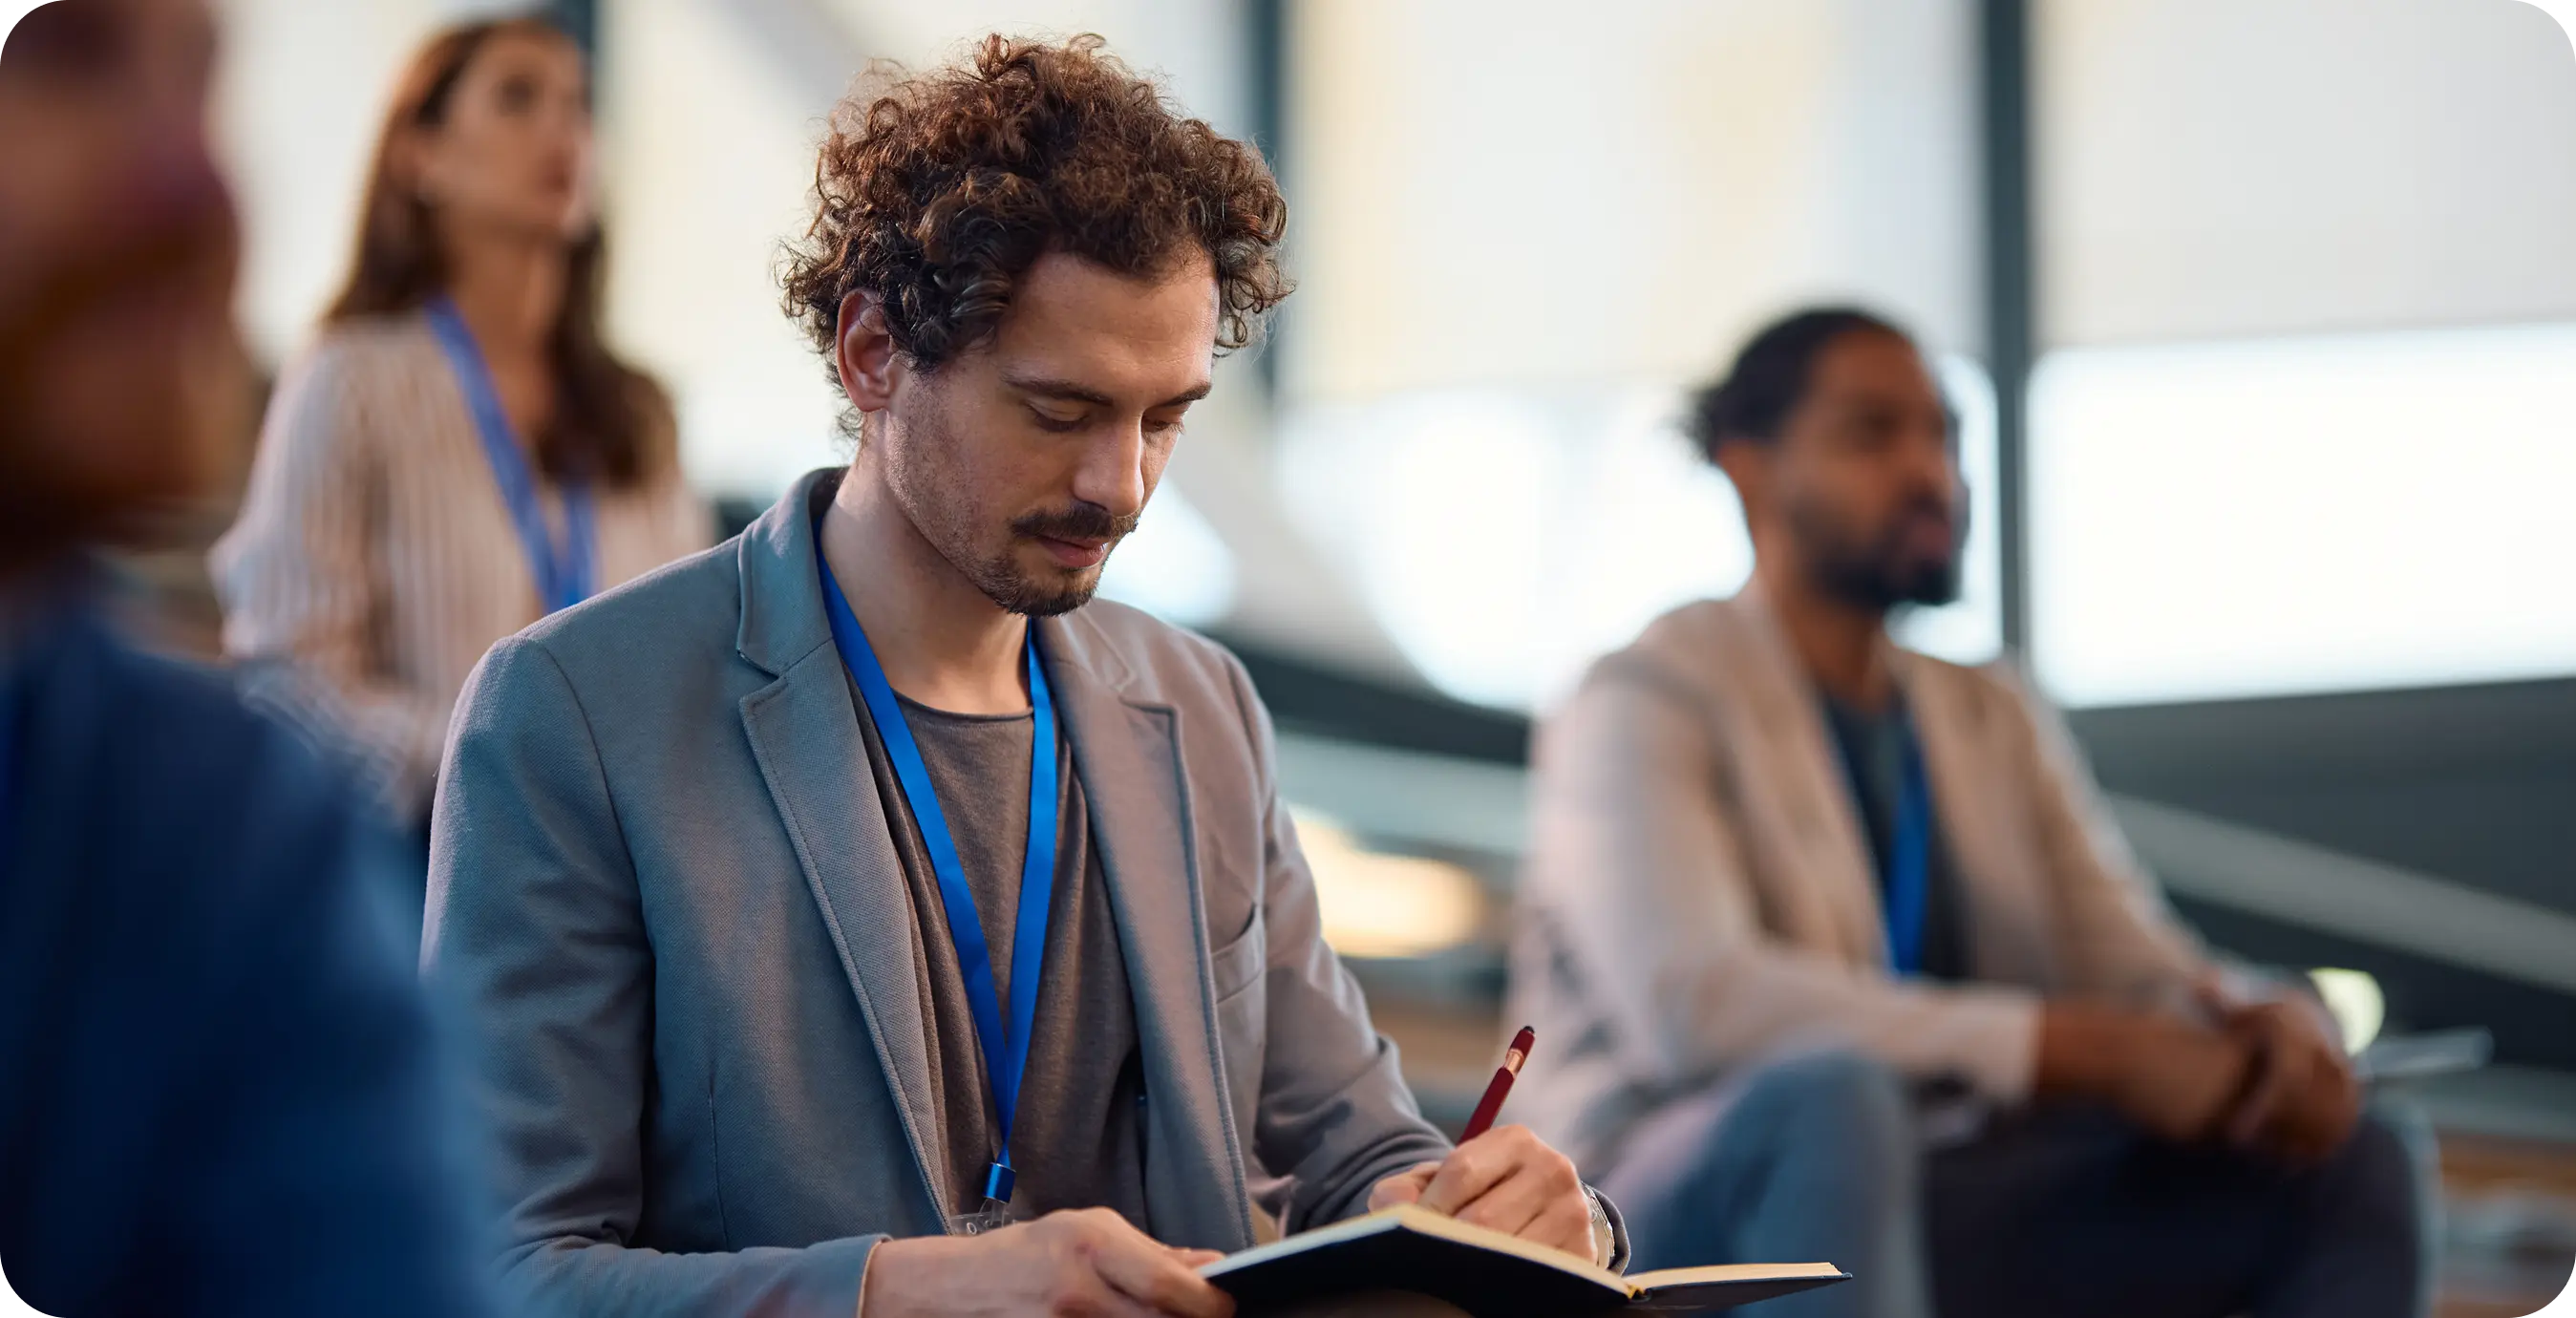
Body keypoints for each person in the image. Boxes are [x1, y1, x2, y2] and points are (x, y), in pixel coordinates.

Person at [424, 34, 1623, 1318]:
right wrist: (904, 1293)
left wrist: (1490, 1217)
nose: (1122, 485)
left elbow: (1360, 1149)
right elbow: (484, 1271)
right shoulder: (576, 715)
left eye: (1165, 417)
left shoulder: (1199, 709)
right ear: (872, 355)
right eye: (1061, 412)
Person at [1507, 307, 2430, 1318]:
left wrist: (2263, 1024)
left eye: (1943, 434)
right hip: (1648, 1208)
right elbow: (1702, 1009)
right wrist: (2076, 1052)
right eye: (1873, 433)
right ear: (1749, 469)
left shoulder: (1985, 713)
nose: (1929, 472)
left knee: (2353, 1157)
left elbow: (2134, 966)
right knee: (1835, 1103)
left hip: (1930, 1193)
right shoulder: (1641, 695)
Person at [0, 0, 499, 1312]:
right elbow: (301, 662)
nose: (201, 182)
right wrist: (500, 751)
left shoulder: (214, 835)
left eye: (203, 80)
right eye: (63, 55)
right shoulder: (351, 382)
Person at [212, 14, 708, 851]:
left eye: (577, 104)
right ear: (422, 155)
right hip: (421, 866)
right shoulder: (349, 378)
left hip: (626, 875)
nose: (564, 129)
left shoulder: (637, 406)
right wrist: (495, 763)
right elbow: (288, 679)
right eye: (518, 98)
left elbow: (692, 662)